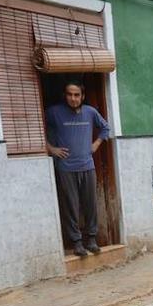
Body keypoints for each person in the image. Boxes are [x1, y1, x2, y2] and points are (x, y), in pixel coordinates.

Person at [46, 82, 111, 256]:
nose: (73, 98)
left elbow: (105, 128)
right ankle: (76, 242)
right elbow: (37, 130)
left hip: (87, 165)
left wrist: (96, 144)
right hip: (66, 168)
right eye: (70, 94)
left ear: (82, 96)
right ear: (64, 95)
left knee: (90, 205)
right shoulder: (54, 112)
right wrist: (52, 149)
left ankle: (91, 239)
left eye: (77, 95)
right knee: (71, 206)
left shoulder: (90, 112)